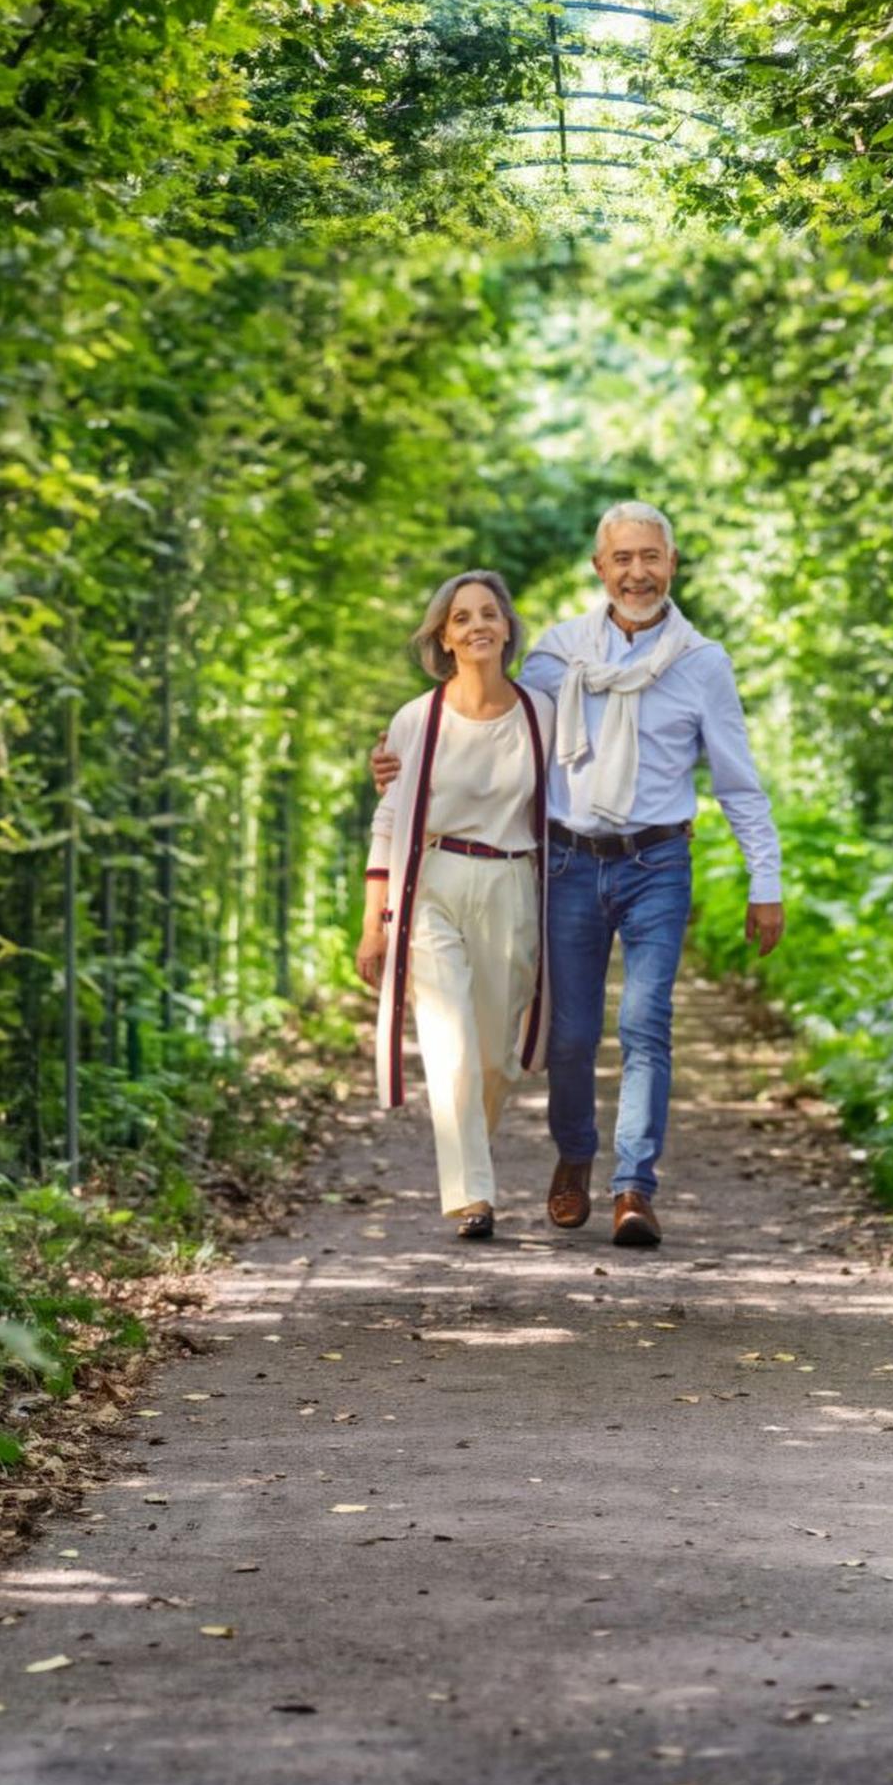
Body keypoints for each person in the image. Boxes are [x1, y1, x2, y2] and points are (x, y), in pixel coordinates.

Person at [375, 503, 781, 1249]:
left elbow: (738, 781)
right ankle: (576, 1155)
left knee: (646, 1024)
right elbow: (498, 728)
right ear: (600, 569)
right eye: (621, 558)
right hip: (566, 862)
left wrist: (766, 880)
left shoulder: (703, 664)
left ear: (672, 563)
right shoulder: (559, 656)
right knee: (568, 1036)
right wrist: (405, 758)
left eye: (650, 557)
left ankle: (634, 1186)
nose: (637, 573)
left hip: (658, 861)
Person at [355, 569, 558, 1241]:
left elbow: (578, 793)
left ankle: (471, 1155)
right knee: (450, 1045)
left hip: (511, 884)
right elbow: (388, 822)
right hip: (434, 883)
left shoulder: (542, 714)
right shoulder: (417, 719)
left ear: (507, 627)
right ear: (443, 636)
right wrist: (373, 926)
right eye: (461, 618)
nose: (477, 627)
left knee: (496, 1058)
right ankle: (472, 1195)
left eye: (488, 614)